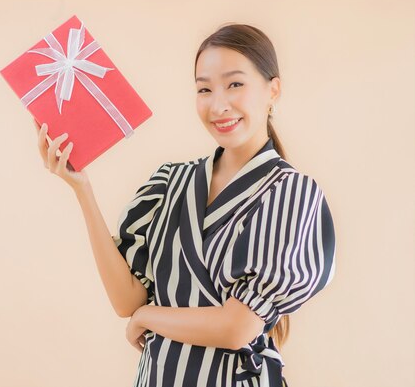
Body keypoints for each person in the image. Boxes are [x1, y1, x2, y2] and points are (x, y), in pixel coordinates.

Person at [32, 23, 336, 387]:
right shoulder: (169, 181)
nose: (218, 104)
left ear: (274, 89)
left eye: (235, 84)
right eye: (204, 89)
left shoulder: (291, 193)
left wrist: (149, 317)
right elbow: (126, 300)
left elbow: (237, 327)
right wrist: (81, 189)